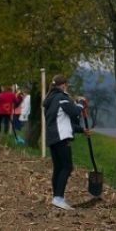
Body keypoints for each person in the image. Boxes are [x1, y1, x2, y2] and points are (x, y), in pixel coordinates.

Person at [43, 74, 91, 210]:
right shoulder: (61, 98)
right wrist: (81, 103)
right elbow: (74, 112)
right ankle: (58, 198)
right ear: (63, 85)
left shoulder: (51, 99)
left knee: (58, 168)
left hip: (53, 138)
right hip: (61, 138)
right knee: (67, 167)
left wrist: (82, 130)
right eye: (66, 85)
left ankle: (56, 197)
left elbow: (66, 121)